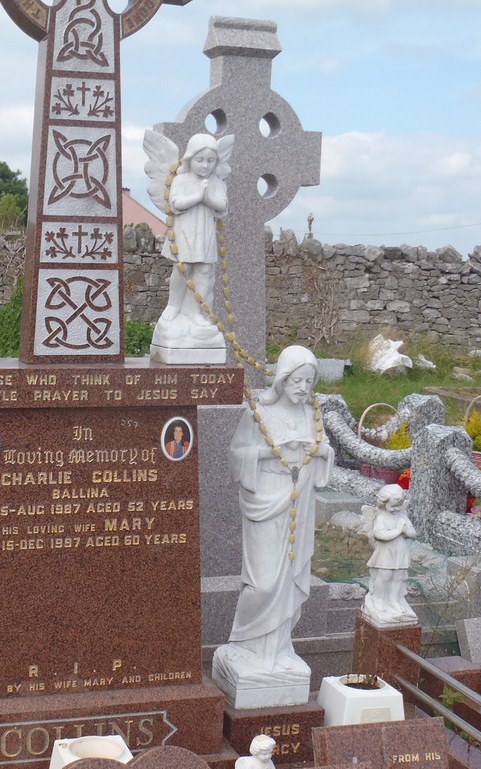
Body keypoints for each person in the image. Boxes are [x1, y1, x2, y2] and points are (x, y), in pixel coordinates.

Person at [212, 346, 334, 705]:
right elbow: (237, 458)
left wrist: (317, 450)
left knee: (290, 576)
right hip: (265, 500)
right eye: (297, 380)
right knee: (264, 582)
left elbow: (325, 453)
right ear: (282, 379)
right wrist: (275, 449)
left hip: (299, 501)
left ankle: (279, 649)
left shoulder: (312, 413)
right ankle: (246, 644)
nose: (303, 388)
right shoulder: (259, 412)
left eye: (309, 381)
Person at [158, 133, 228, 339]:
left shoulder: (216, 182)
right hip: (185, 232)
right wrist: (198, 197)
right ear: (190, 159)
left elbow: (222, 205)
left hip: (205, 233)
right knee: (183, 268)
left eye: (210, 160)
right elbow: (175, 204)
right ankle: (173, 305)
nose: (205, 165)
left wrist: (208, 199)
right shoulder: (181, 180)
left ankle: (197, 312)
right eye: (200, 160)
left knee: (204, 271)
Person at [361, 484, 418, 625]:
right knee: (385, 576)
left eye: (399, 506)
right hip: (386, 553)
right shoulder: (381, 518)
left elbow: (413, 533)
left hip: (401, 552)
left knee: (399, 577)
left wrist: (406, 531)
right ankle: (378, 598)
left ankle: (394, 599)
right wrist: (398, 530)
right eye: (393, 506)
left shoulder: (402, 516)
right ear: (384, 504)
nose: (397, 509)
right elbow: (380, 535)